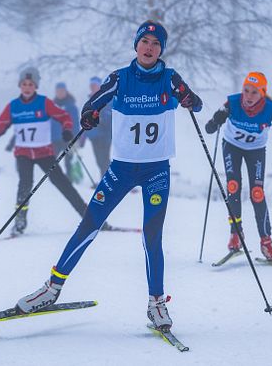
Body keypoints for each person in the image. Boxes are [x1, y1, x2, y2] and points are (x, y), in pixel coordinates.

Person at [15, 21, 202, 332]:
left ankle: (157, 303)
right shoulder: (121, 78)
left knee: (152, 237)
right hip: (122, 169)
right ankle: (52, 288)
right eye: (145, 41)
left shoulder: (170, 79)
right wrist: (89, 115)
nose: (150, 47)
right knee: (89, 225)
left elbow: (196, 104)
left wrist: (188, 99)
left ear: (161, 50)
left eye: (156, 43)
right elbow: (91, 105)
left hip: (157, 170)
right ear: (136, 45)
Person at [0, 67, 90, 236]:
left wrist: (67, 129)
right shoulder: (13, 106)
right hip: (23, 154)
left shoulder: (44, 103)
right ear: (20, 86)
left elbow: (64, 117)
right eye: (24, 84)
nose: (27, 87)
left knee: (63, 183)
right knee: (24, 186)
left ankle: (88, 217)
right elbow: (0, 125)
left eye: (30, 84)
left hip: (45, 153)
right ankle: (20, 221)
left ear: (36, 86)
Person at [204, 72, 272, 261]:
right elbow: (209, 128)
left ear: (263, 93)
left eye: (254, 93)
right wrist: (217, 119)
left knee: (257, 192)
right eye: (246, 90)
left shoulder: (270, 109)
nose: (248, 96)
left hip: (255, 150)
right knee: (233, 186)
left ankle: (266, 242)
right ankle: (236, 234)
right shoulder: (232, 103)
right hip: (232, 147)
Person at [80, 76, 112, 174]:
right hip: (94, 136)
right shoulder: (89, 101)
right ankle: (105, 180)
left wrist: (100, 120)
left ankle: (109, 181)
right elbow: (85, 119)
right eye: (91, 86)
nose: (92, 87)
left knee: (104, 160)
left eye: (95, 85)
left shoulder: (106, 99)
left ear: (99, 86)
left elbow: (110, 116)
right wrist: (83, 137)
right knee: (99, 160)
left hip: (105, 136)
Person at [50, 82, 81, 183]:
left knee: (68, 159)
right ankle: (55, 178)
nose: (60, 93)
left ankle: (69, 178)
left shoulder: (71, 106)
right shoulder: (51, 105)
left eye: (62, 91)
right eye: (58, 91)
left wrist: (75, 137)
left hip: (68, 137)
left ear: (65, 91)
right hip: (55, 138)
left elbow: (76, 122)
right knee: (52, 159)